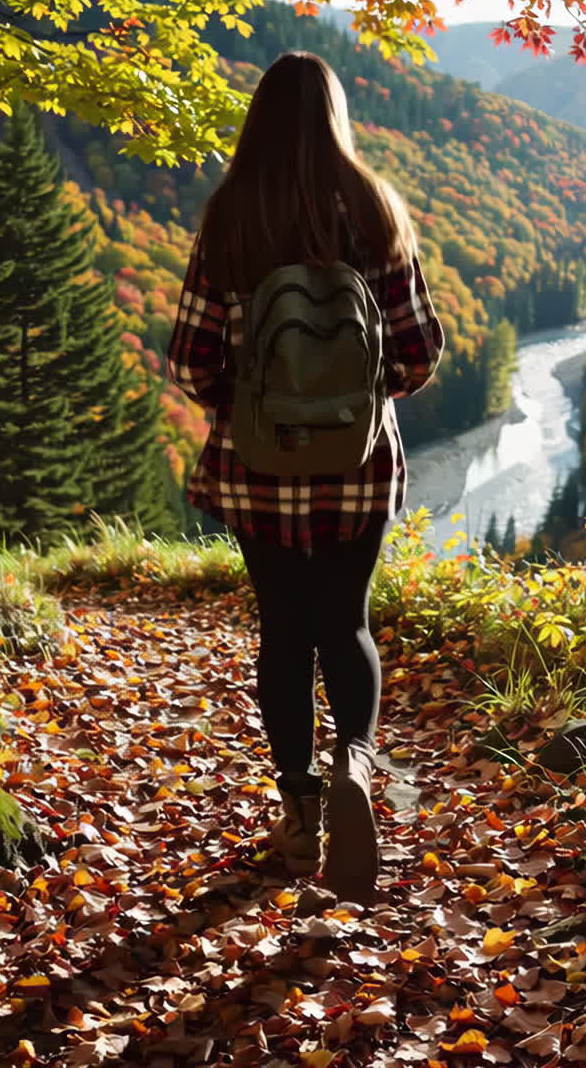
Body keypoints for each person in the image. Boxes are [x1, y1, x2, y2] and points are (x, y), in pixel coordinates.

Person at [166, 51, 443, 904]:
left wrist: (244, 409)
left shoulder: (231, 219)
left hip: (256, 469)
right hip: (358, 470)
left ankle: (299, 809)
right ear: (336, 117)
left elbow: (190, 357)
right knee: (346, 624)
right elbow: (420, 351)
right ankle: (356, 763)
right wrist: (359, 402)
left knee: (284, 634)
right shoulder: (374, 210)